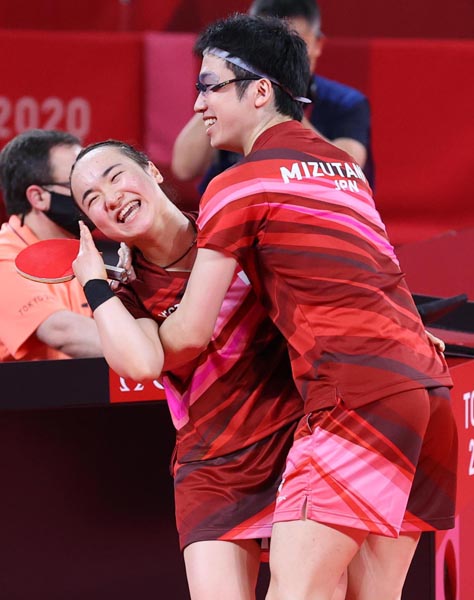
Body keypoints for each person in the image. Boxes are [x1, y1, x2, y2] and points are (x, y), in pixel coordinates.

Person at [156, 14, 457, 600]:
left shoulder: (239, 183)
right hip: (428, 395)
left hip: (357, 399)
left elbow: (190, 332)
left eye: (210, 86)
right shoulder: (346, 172)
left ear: (259, 91)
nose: (197, 105)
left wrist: (119, 318)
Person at [69, 140, 310, 600]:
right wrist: (95, 284)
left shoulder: (233, 229)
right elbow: (141, 363)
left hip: (300, 443)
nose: (111, 198)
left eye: (115, 177)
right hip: (214, 468)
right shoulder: (129, 295)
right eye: (92, 199)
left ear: (153, 171)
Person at [171, 0, 374, 194]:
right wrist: (217, 94)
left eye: (288, 43)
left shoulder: (347, 103)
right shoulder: (227, 91)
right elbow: (184, 168)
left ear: (317, 44)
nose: (270, 53)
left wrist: (283, 99)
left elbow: (349, 171)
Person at [0, 129, 102, 361]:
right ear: (38, 197)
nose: (94, 192)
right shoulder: (4, 258)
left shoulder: (81, 255)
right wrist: (149, 352)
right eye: (77, 182)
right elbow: (62, 331)